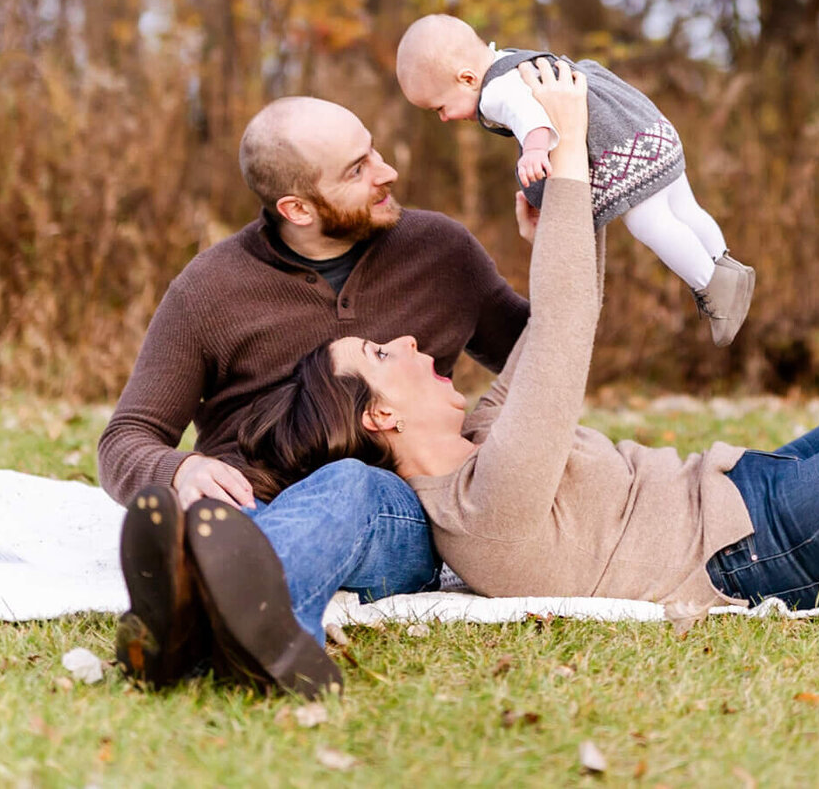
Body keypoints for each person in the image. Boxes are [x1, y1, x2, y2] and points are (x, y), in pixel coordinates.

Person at [240, 59, 819, 616]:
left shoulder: (480, 440)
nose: (417, 348)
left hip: (759, 488)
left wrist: (558, 194)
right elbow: (568, 334)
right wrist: (576, 147)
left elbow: (557, 314)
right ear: (381, 421)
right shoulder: (486, 503)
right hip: (779, 552)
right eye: (385, 358)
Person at [99, 93, 527, 686]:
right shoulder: (209, 289)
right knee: (227, 523)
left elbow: (543, 353)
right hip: (250, 505)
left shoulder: (441, 253)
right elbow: (127, 435)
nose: (387, 172)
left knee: (348, 484)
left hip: (395, 513)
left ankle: (198, 611)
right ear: (297, 207)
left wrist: (559, 236)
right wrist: (178, 471)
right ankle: (233, 621)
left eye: (371, 150)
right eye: (358, 170)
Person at [395, 14, 754, 345]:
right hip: (642, 124)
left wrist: (535, 149)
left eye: (439, 108)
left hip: (619, 144)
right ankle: (726, 268)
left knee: (649, 222)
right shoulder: (511, 58)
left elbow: (529, 115)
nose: (443, 118)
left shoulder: (494, 93)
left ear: (467, 79)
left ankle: (712, 286)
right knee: (684, 207)